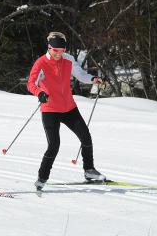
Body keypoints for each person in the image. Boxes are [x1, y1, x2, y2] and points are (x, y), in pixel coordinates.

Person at [27, 32, 106, 190]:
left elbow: (81, 75)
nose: (59, 54)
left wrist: (93, 79)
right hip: (50, 109)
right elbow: (30, 83)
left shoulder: (68, 59)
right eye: (56, 51)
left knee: (85, 137)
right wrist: (39, 93)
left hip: (69, 107)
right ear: (49, 48)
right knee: (54, 144)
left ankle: (89, 170)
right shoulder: (41, 62)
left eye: (62, 51)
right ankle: (42, 177)